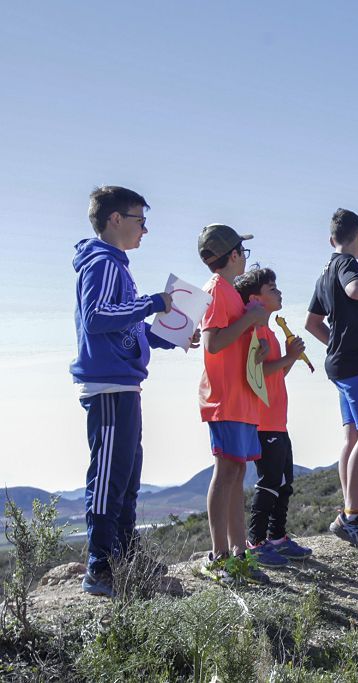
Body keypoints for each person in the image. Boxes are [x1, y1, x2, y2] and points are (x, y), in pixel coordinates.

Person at [72, 186, 179, 597]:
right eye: (140, 220)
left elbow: (125, 323)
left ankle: (125, 556)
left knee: (127, 475)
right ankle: (100, 567)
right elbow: (97, 317)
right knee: (108, 477)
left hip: (123, 385)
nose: (145, 230)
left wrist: (170, 336)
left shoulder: (117, 266)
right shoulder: (102, 264)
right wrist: (152, 303)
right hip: (109, 387)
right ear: (115, 219)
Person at [305, 208, 358, 549]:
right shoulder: (345, 264)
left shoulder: (324, 272)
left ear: (331, 239)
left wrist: (335, 345)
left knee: (353, 437)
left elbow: (312, 323)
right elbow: (356, 290)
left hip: (340, 363)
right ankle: (352, 516)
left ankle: (350, 513)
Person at [197, 223, 272, 584]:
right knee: (226, 471)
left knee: (238, 472)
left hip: (241, 397)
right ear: (232, 255)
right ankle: (219, 555)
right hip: (225, 397)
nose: (246, 258)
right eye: (243, 251)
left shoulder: (230, 292)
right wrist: (249, 319)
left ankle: (240, 551)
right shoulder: (216, 291)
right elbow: (212, 343)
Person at [234, 267, 313, 566]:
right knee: (269, 482)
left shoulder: (269, 333)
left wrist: (288, 356)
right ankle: (256, 542)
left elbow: (276, 374)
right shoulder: (254, 331)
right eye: (272, 288)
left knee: (284, 481)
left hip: (278, 420)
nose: (278, 292)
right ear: (256, 298)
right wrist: (290, 356)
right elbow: (254, 374)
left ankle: (277, 537)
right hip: (264, 420)